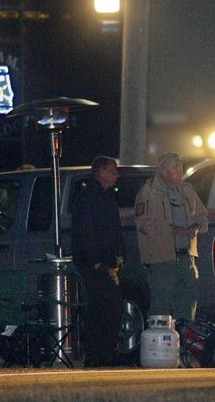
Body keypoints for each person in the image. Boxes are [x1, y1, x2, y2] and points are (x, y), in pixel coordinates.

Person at [134, 153, 208, 321]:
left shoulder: (187, 190)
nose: (181, 172)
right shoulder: (148, 193)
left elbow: (202, 216)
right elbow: (144, 224)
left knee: (187, 307)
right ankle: (159, 345)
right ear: (164, 172)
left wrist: (195, 227)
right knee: (161, 308)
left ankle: (184, 342)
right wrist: (174, 230)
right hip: (161, 261)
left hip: (187, 258)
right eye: (176, 169)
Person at [71, 156, 124, 367]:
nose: (116, 176)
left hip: (106, 261)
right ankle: (98, 352)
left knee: (107, 307)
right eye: (113, 171)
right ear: (100, 172)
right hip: (96, 263)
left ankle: (103, 351)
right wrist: (95, 261)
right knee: (105, 307)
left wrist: (118, 257)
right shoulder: (89, 197)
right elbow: (86, 231)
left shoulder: (103, 196)